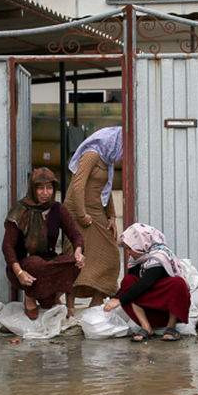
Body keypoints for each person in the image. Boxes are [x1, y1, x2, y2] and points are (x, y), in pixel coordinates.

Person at [3, 167, 86, 320]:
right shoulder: (20, 210)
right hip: (24, 266)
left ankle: (52, 295)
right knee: (36, 263)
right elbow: (7, 246)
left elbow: (75, 235)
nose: (45, 192)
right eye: (40, 188)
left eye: (49, 187)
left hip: (48, 262)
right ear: (33, 189)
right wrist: (19, 272)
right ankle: (30, 297)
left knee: (74, 263)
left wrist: (78, 252)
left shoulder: (58, 209)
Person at [103, 223, 190, 342]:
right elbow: (131, 282)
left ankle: (171, 326)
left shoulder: (159, 256)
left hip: (165, 306)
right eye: (126, 248)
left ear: (141, 243)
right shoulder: (138, 257)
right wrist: (115, 298)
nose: (128, 252)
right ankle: (146, 327)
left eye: (129, 248)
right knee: (128, 281)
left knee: (178, 283)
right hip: (149, 308)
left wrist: (120, 300)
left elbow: (146, 283)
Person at [66, 126, 123, 307]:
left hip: (96, 212)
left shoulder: (107, 160)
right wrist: (82, 215)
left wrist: (112, 217)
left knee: (111, 256)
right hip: (78, 212)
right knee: (74, 257)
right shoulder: (91, 155)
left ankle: (97, 300)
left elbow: (106, 189)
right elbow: (77, 185)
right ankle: (69, 305)